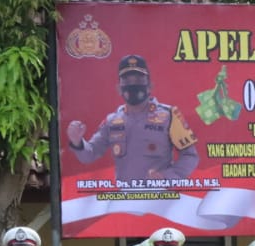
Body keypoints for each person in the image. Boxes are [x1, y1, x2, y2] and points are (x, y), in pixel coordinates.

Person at [66, 54, 200, 184]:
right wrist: (77, 141)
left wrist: (167, 177)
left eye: (138, 80)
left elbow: (190, 156)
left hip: (160, 198)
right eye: (127, 81)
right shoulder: (112, 121)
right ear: (119, 88)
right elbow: (89, 154)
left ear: (150, 86)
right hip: (124, 199)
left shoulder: (169, 115)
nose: (133, 85)